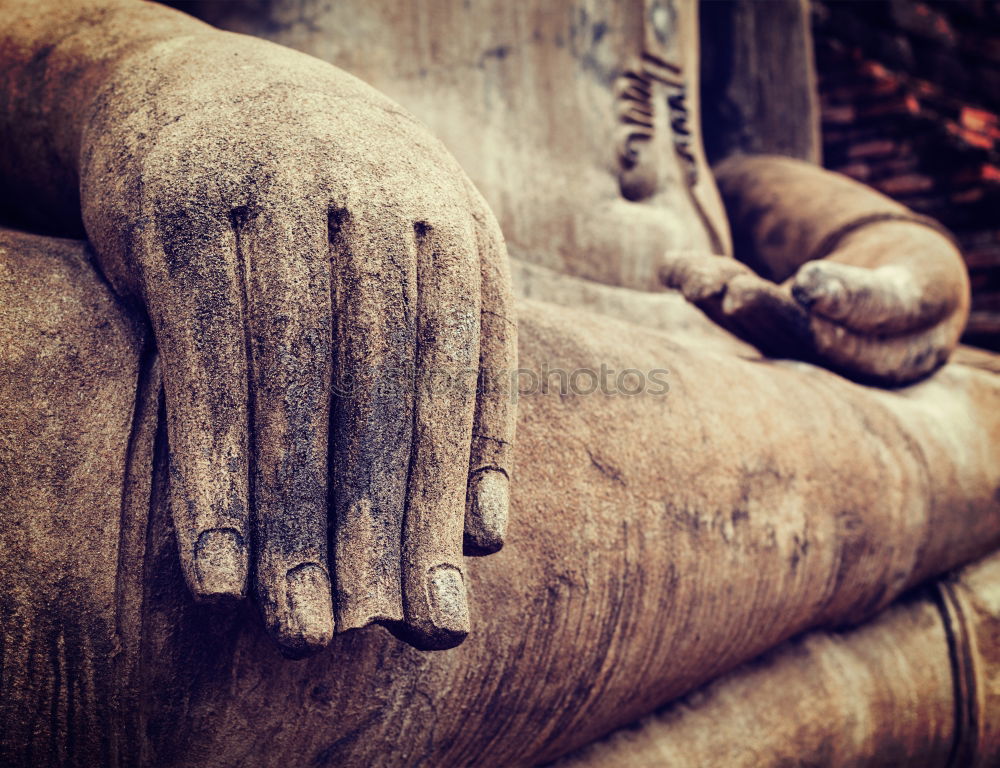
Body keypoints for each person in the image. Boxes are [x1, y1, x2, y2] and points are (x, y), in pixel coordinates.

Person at [0, 0, 995, 765]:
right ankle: (906, 663)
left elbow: (740, 152)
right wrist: (157, 72)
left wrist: (886, 245)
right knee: (69, 489)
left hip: (706, 337)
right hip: (341, 287)